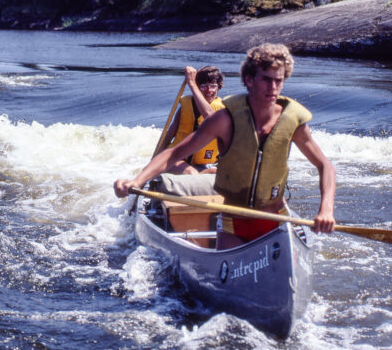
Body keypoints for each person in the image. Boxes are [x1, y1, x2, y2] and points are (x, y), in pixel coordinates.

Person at [114, 43, 336, 249]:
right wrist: (136, 181)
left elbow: (324, 165)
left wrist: (326, 209)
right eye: (266, 80)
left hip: (273, 218)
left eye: (279, 81)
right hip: (233, 222)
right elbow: (174, 153)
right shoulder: (225, 119)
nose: (273, 87)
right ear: (249, 79)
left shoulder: (293, 120)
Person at [156, 65, 225, 174]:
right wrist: (157, 158)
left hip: (206, 163)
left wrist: (192, 83)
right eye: (204, 86)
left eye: (213, 86)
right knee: (192, 173)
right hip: (177, 159)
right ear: (197, 87)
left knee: (214, 171)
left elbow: (210, 117)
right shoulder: (186, 105)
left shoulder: (222, 110)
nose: (209, 90)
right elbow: (170, 133)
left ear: (218, 87)